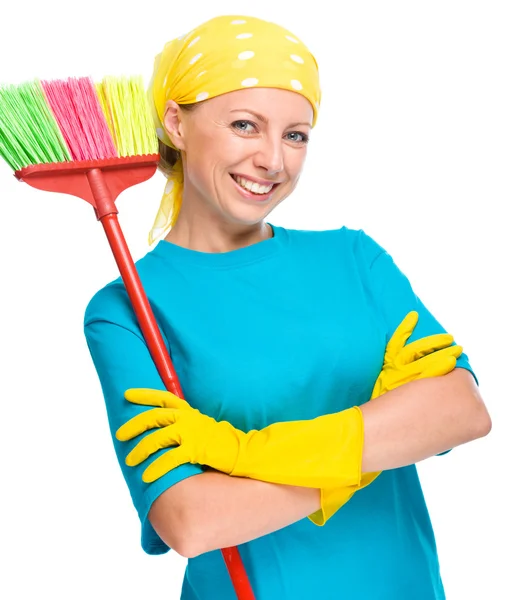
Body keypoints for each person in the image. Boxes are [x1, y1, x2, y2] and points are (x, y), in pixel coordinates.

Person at [83, 14, 491, 600]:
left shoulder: (354, 259)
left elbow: (462, 411)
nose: (273, 160)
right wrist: (385, 439)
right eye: (245, 125)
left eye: (296, 135)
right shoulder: (126, 311)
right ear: (176, 122)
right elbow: (191, 521)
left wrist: (241, 453)